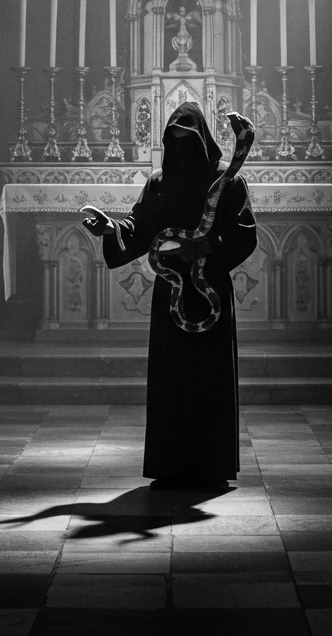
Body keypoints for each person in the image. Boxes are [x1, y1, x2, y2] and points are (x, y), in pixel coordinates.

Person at [81, 102, 257, 492]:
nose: (180, 151)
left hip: (208, 291)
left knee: (209, 376)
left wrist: (208, 247)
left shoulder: (227, 181)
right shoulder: (160, 183)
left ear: (202, 140)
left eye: (187, 142)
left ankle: (212, 465)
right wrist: (111, 228)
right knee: (171, 376)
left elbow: (245, 235)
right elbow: (139, 225)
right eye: (173, 142)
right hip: (171, 292)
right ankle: (169, 464)